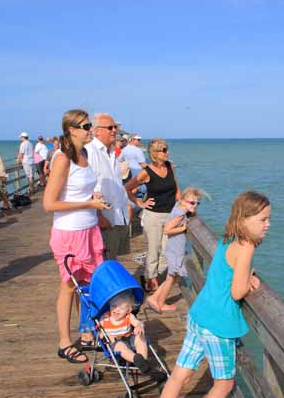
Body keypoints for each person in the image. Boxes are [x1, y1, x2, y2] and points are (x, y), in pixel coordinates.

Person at [149, 191, 271, 398]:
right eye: (263, 219)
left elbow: (226, 272)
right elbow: (238, 292)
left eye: (268, 219)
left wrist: (245, 275)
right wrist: (250, 280)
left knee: (179, 375)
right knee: (224, 383)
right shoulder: (247, 246)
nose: (267, 224)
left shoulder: (229, 238)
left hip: (199, 316)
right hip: (218, 325)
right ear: (245, 219)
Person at [43, 109, 110, 363]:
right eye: (85, 125)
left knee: (90, 284)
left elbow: (80, 192)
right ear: (71, 129)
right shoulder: (62, 159)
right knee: (69, 286)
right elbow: (49, 204)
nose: (89, 129)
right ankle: (64, 342)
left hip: (90, 229)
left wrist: (94, 204)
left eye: (90, 125)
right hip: (69, 232)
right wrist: (87, 204)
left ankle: (86, 334)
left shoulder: (84, 154)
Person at [125, 138, 180, 292]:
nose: (167, 152)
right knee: (154, 249)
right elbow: (128, 188)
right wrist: (140, 203)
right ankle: (152, 280)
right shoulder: (146, 172)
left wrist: (182, 208)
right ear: (155, 153)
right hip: (153, 217)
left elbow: (176, 188)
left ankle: (150, 274)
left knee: (167, 250)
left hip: (170, 215)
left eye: (167, 149)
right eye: (164, 150)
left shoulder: (170, 166)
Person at [146, 186, 201, 313]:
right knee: (171, 277)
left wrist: (190, 211)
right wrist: (183, 228)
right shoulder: (180, 215)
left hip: (173, 249)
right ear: (183, 201)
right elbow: (167, 230)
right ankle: (160, 303)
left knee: (173, 277)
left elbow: (186, 210)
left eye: (197, 203)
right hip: (175, 251)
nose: (195, 205)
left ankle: (155, 298)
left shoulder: (178, 207)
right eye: (192, 202)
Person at [85, 113, 130, 260]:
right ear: (96, 130)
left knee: (113, 259)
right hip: (104, 218)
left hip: (118, 215)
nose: (114, 130)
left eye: (115, 127)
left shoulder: (111, 152)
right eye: (110, 127)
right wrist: (98, 216)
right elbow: (87, 187)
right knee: (103, 262)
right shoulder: (90, 152)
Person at [99, 292, 151, 373]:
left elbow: (138, 322)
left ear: (128, 310)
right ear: (109, 305)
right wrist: (104, 335)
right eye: (113, 306)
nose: (116, 310)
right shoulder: (105, 318)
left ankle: (143, 361)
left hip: (129, 340)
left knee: (140, 337)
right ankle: (136, 359)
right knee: (120, 345)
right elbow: (100, 332)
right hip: (115, 344)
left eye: (121, 308)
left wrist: (139, 326)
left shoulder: (129, 317)